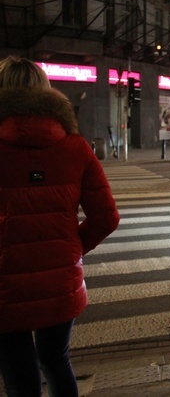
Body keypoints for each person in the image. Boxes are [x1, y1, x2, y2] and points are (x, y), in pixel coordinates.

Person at [0, 56, 120, 396]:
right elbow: (106, 217)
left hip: (5, 286)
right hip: (60, 280)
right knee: (55, 361)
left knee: (19, 376)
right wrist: (71, 247)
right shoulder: (76, 148)